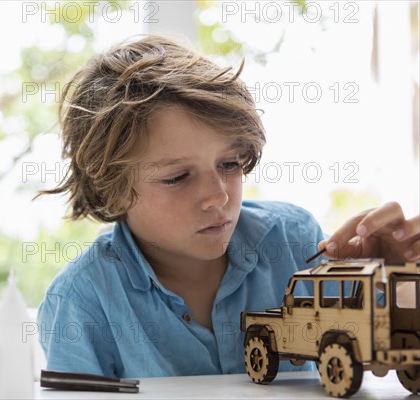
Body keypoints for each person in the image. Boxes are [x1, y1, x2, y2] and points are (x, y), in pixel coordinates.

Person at [34, 34, 419, 378]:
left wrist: (400, 287)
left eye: (230, 164)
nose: (218, 196)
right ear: (112, 189)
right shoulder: (84, 300)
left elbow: (382, 361)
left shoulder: (294, 242)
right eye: (177, 177)